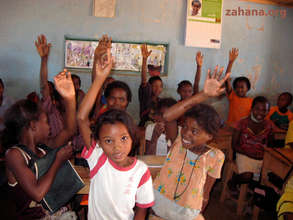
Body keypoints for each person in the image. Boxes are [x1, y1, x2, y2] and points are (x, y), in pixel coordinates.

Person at [77, 37, 154, 219]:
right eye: (109, 140)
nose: (117, 146)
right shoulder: (99, 156)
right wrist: (100, 76)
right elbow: (81, 117)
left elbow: (142, 208)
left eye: (123, 138)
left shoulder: (140, 170)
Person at [151, 67, 230, 220]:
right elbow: (167, 116)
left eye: (194, 131)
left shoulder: (216, 157)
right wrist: (202, 95)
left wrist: (200, 210)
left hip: (187, 213)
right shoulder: (178, 143)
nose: (186, 133)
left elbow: (206, 192)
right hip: (160, 206)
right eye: (185, 127)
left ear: (209, 135)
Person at [3, 70, 76, 219]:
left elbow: (70, 130)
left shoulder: (43, 148)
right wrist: (58, 161)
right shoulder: (14, 155)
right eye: (46, 122)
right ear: (33, 126)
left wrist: (70, 99)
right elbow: (37, 193)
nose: (50, 126)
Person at [229, 96, 273, 191]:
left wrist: (264, 153)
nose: (260, 113)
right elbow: (234, 145)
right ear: (252, 108)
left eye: (264, 110)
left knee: (269, 176)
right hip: (244, 154)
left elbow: (270, 146)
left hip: (260, 157)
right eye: (257, 109)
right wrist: (248, 153)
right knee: (248, 176)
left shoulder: (269, 126)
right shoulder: (242, 123)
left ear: (268, 111)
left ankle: (253, 194)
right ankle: (233, 181)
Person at [35, 34, 64, 138]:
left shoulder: (60, 108)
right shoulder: (49, 109)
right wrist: (44, 59)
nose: (47, 92)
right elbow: (43, 84)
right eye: (46, 91)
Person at [224, 48, 253, 128]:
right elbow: (226, 78)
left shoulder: (252, 101)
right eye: (237, 87)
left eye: (242, 87)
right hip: (231, 127)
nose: (239, 89)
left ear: (248, 88)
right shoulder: (232, 96)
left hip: (245, 129)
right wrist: (231, 62)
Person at [139, 44, 163, 127]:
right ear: (149, 87)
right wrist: (144, 59)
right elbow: (144, 80)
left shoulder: (160, 101)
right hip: (144, 128)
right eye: (155, 86)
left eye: (160, 86)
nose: (158, 89)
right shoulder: (146, 97)